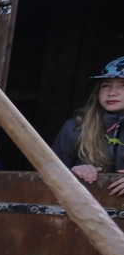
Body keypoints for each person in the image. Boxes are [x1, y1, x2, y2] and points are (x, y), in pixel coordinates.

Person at [51, 56, 124, 196]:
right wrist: (71, 171)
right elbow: (48, 172)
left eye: (123, 85)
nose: (112, 92)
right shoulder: (75, 127)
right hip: (85, 205)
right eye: (106, 85)